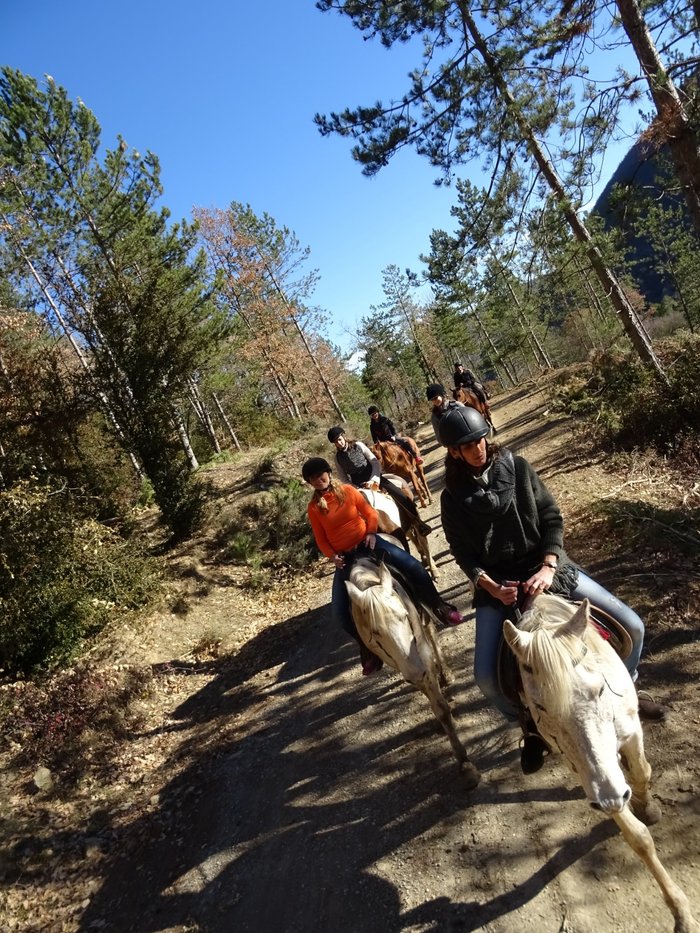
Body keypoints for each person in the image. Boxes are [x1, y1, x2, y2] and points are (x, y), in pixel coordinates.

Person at [437, 406, 666, 774]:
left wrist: (548, 564)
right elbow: (462, 554)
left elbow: (551, 518)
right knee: (485, 678)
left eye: (479, 438)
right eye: (467, 444)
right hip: (501, 587)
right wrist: (489, 585)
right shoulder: (452, 499)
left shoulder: (519, 467)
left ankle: (630, 694)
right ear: (454, 452)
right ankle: (530, 728)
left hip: (547, 570)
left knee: (634, 626)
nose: (477, 447)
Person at [302, 457, 465, 675]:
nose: (318, 480)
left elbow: (369, 513)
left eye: (320, 475)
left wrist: (370, 532)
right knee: (339, 613)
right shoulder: (314, 508)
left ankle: (439, 606)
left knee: (414, 566)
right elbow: (321, 539)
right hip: (346, 558)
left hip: (368, 543)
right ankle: (367, 650)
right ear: (310, 483)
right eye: (313, 479)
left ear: (329, 474)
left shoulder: (349, 492)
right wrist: (333, 557)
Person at [327, 425, 431, 537]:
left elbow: (374, 462)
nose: (339, 443)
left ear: (343, 437)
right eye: (336, 442)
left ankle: (417, 522)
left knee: (400, 494)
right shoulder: (337, 458)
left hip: (374, 476)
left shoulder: (359, 445)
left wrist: (373, 480)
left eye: (339, 439)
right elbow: (344, 478)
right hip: (357, 486)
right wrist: (355, 487)